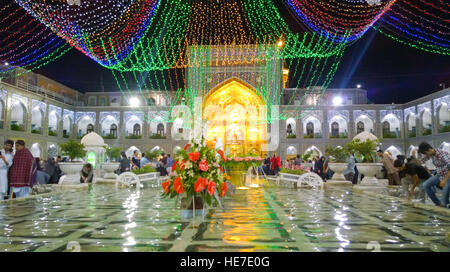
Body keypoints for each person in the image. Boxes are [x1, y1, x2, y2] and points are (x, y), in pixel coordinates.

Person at [418, 142, 450, 208]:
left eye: (426, 153)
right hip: (439, 175)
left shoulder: (443, 154)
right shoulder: (430, 154)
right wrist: (415, 156)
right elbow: (420, 162)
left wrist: (444, 180)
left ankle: (446, 207)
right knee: (426, 185)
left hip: (448, 177)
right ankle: (438, 203)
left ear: (429, 149)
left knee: (444, 198)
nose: (426, 155)